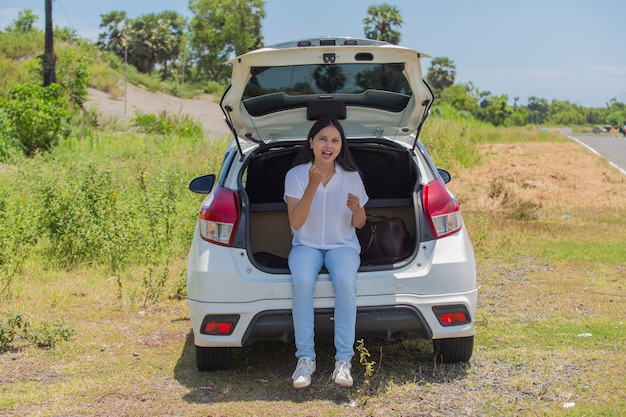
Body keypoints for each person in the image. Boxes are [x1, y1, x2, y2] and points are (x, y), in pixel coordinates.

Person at [283, 116, 369, 389]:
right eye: (322, 139)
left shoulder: (352, 177)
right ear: (311, 143)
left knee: (344, 283)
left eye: (335, 140)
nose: (328, 145)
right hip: (305, 245)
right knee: (303, 283)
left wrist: (358, 210)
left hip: (342, 245)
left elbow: (360, 224)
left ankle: (343, 361)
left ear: (341, 146)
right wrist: (312, 184)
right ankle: (306, 359)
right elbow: (295, 223)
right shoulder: (296, 175)